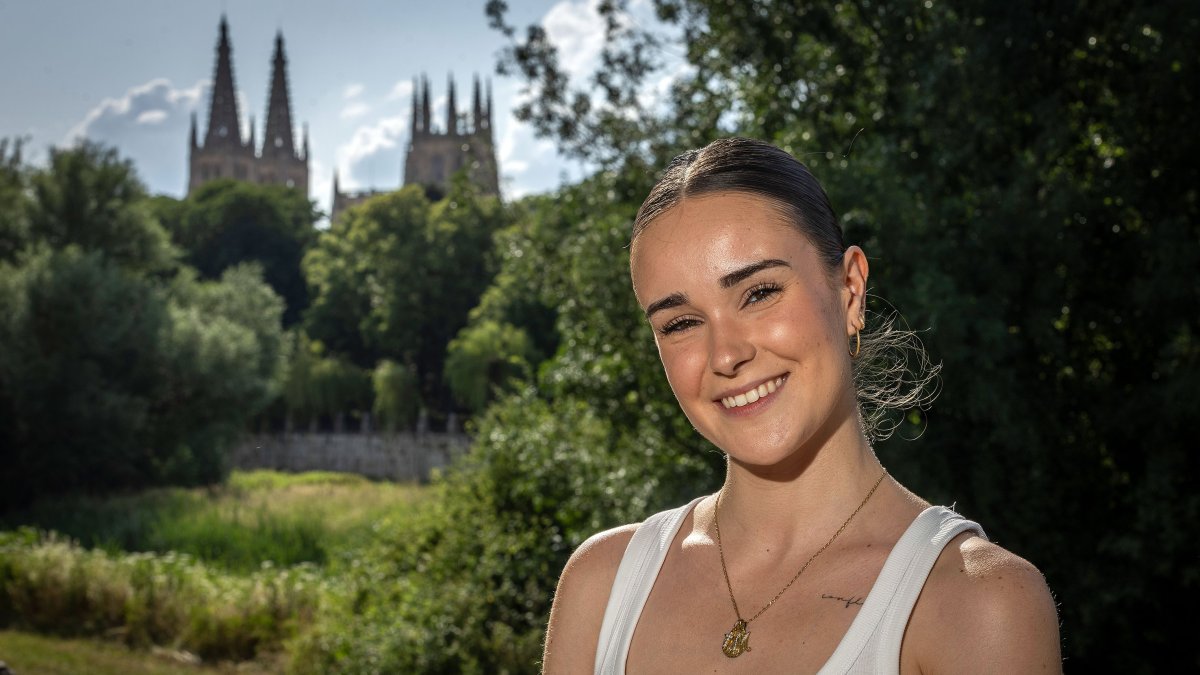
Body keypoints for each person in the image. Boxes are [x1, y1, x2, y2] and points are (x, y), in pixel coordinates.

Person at [541, 137, 1062, 674]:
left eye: (760, 293)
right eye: (680, 323)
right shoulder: (601, 589)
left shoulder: (975, 604)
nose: (726, 354)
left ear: (850, 289)